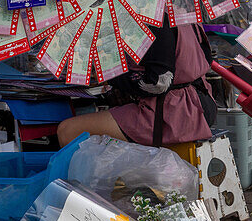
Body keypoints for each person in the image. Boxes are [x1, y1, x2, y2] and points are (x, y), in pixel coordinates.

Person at [57, 17, 216, 147]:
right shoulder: (181, 8)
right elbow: (207, 58)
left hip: (173, 113)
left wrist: (110, 76)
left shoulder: (157, 18)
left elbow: (158, 83)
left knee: (67, 130)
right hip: (201, 101)